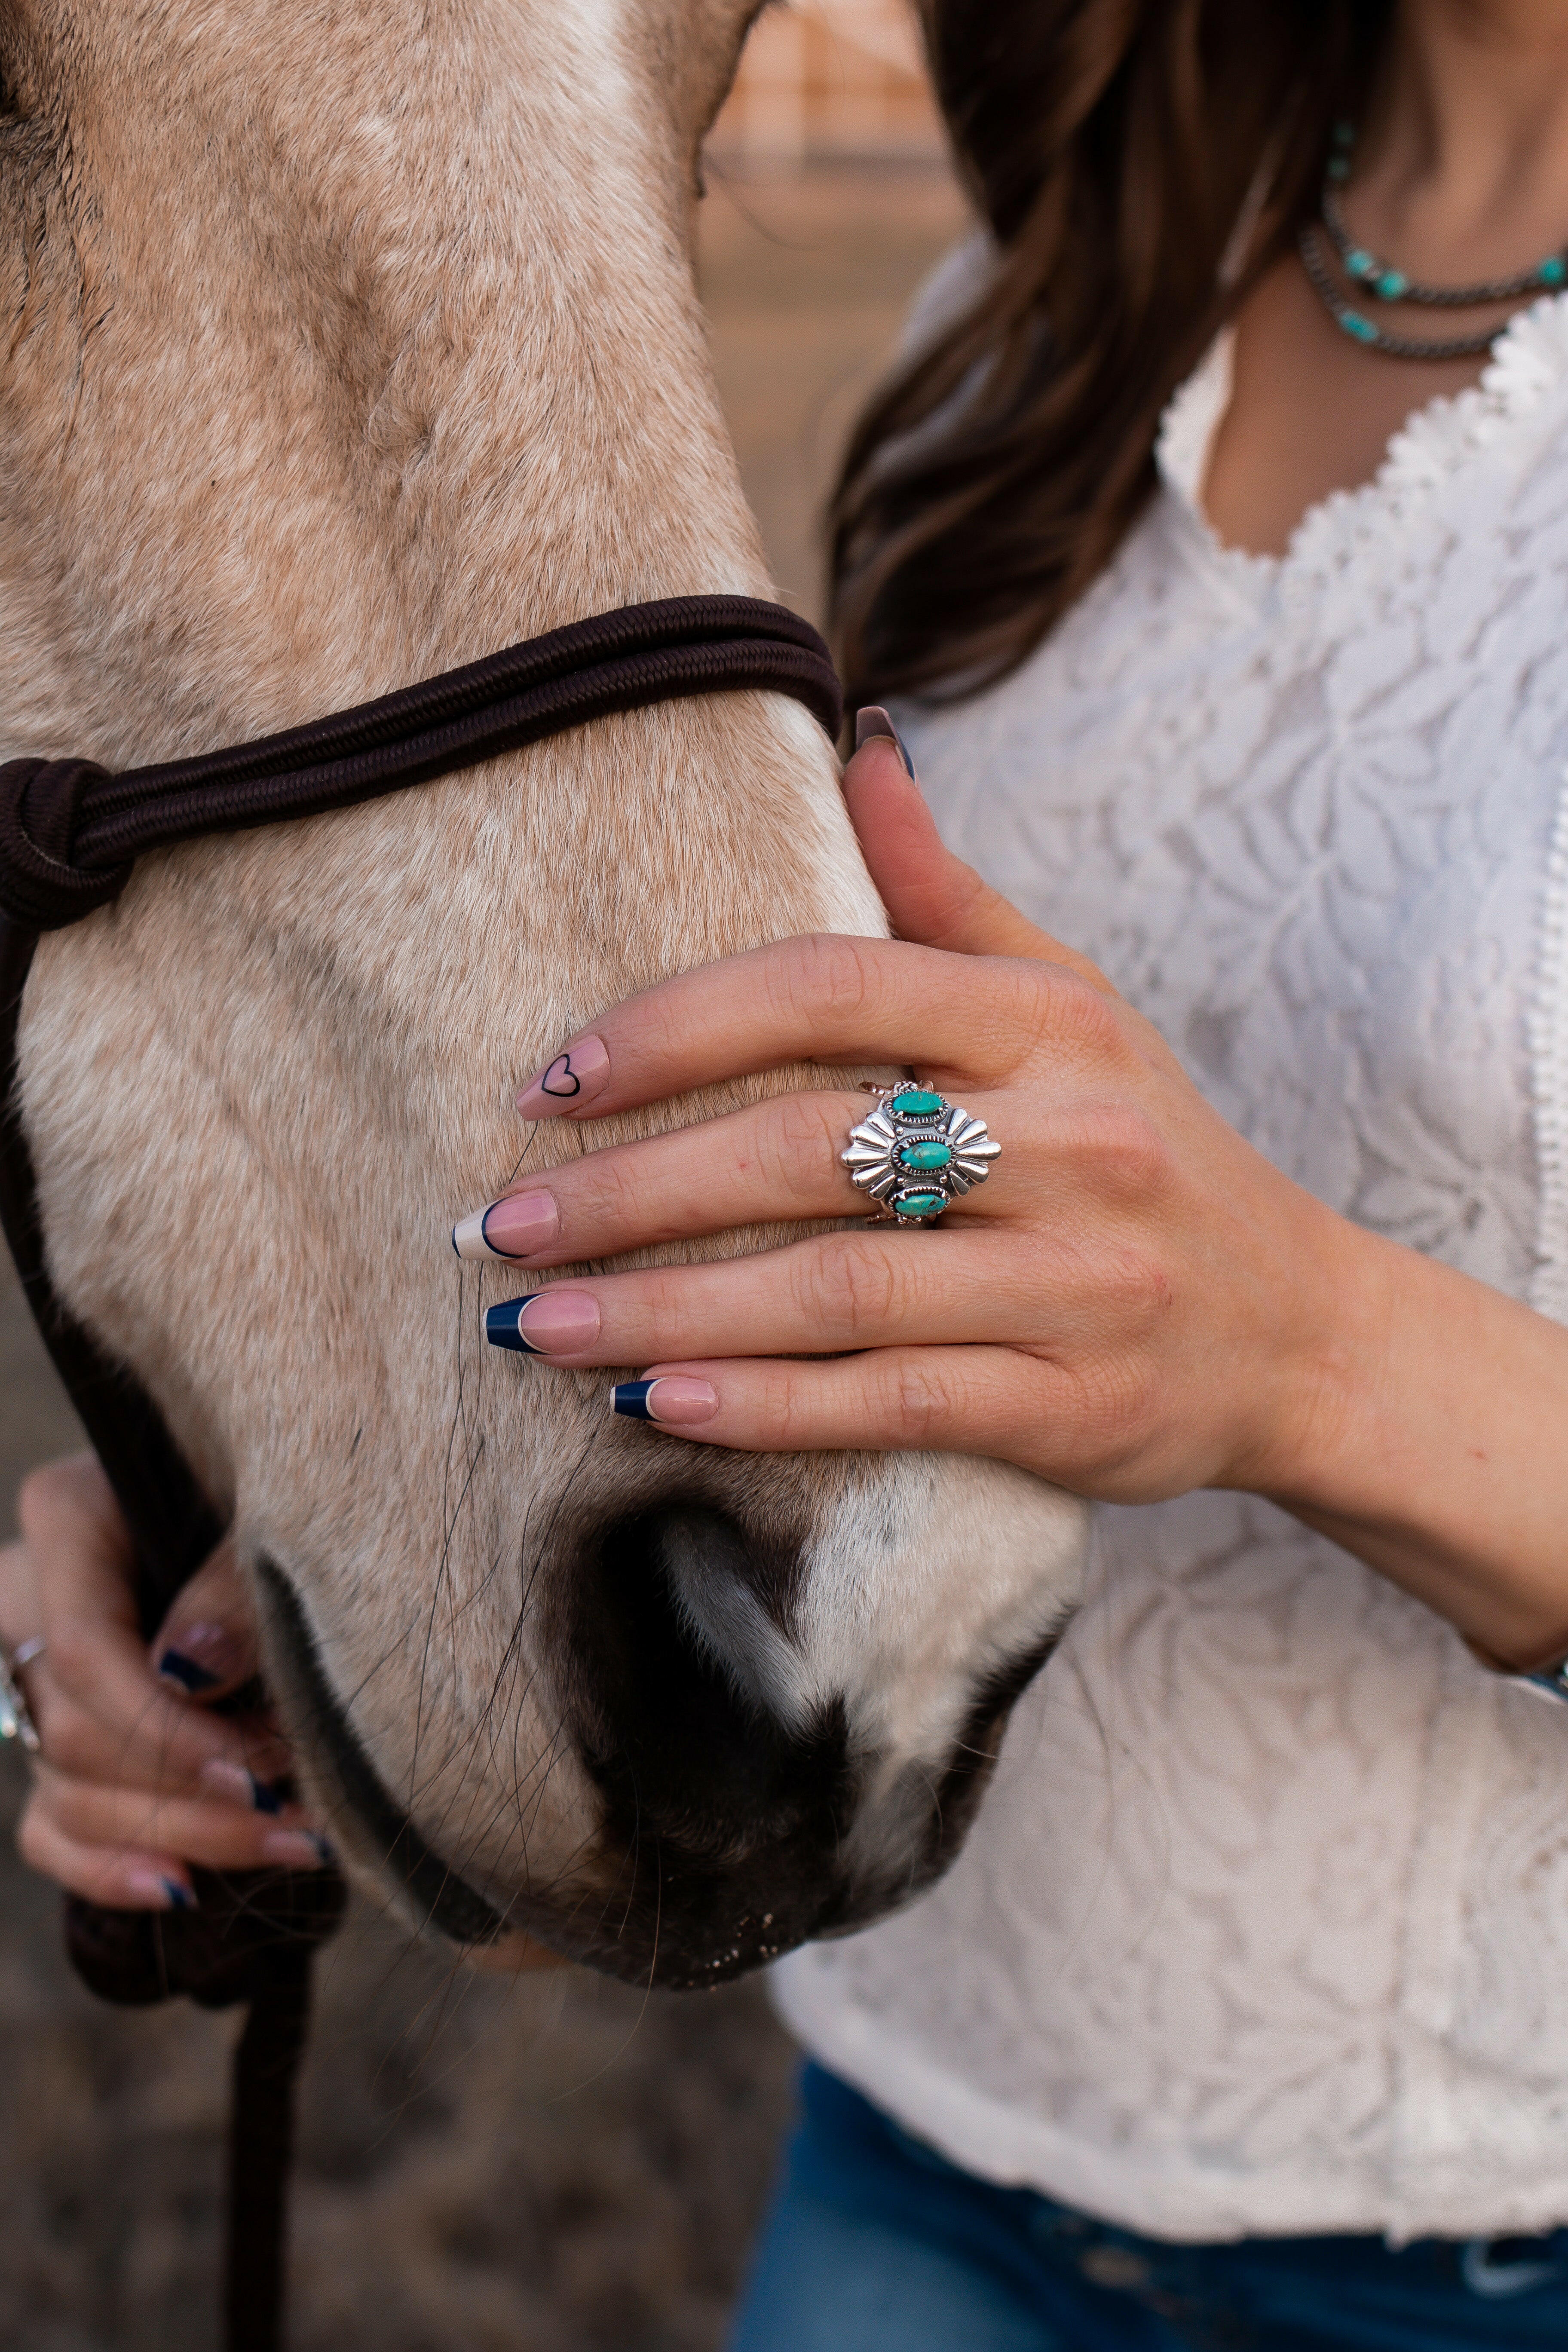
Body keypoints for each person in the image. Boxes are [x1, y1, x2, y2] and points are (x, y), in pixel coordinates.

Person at [9, 0, 1568, 2340]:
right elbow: (834, 1143)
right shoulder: (1036, 334)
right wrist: (324, 1483)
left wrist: (1300, 1356)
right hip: (924, 2172)